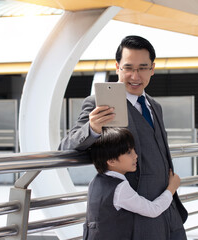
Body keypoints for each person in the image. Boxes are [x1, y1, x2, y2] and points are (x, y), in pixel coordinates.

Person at [59, 35, 188, 239]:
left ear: (152, 69)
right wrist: (92, 128)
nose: (135, 76)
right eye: (128, 68)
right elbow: (66, 146)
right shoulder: (97, 102)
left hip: (168, 209)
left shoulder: (155, 106)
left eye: (142, 68)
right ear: (117, 66)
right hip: (133, 215)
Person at [84, 127, 181, 240]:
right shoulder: (120, 188)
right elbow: (153, 210)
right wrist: (171, 188)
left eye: (134, 150)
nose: (136, 156)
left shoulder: (95, 182)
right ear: (111, 161)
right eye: (129, 152)